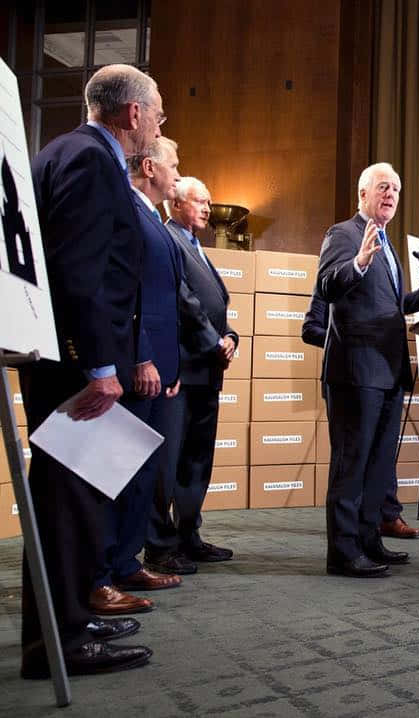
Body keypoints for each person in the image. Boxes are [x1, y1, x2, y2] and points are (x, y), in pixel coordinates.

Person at [20, 64, 160, 679]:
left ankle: (71, 617)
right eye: (157, 111)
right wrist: (100, 367)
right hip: (74, 365)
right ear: (133, 113)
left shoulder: (67, 151)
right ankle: (58, 644)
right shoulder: (89, 160)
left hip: (70, 357)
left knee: (74, 502)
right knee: (66, 504)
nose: (159, 123)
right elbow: (79, 273)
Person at [317, 162, 419, 578]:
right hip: (355, 373)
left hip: (388, 372)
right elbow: (327, 286)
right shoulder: (345, 234)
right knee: (352, 464)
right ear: (362, 193)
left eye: (397, 190)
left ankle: (369, 541)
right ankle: (344, 552)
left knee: (378, 465)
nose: (391, 194)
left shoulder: (384, 243)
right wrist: (360, 263)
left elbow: (394, 305)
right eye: (383, 187)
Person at [86, 137, 187, 613]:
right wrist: (143, 357)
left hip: (159, 369)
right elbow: (123, 291)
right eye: (173, 163)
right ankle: (100, 573)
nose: (178, 172)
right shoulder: (127, 207)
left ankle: (127, 562)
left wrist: (172, 365)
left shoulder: (153, 217)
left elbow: (166, 298)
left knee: (144, 474)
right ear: (149, 166)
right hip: (135, 364)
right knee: (117, 472)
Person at [143, 176, 239, 575]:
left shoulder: (197, 245)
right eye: (200, 201)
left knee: (197, 461)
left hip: (207, 370)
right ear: (176, 204)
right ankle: (159, 546)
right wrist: (213, 341)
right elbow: (183, 301)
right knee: (168, 464)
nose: (207, 207)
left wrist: (230, 335)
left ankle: (188, 535)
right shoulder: (169, 240)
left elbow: (214, 302)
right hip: (181, 368)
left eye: (208, 201)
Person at [301, 283, 419, 539]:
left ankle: (386, 516)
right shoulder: (330, 284)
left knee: (382, 457)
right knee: (355, 459)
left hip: (382, 376)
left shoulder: (378, 290)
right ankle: (352, 533)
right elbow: (310, 330)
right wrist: (352, 341)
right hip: (349, 375)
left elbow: (399, 307)